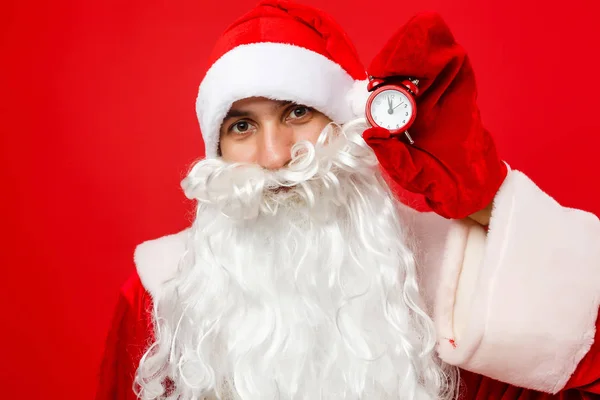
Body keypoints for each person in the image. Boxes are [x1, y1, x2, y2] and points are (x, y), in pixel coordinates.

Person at [95, 1, 600, 399]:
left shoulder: (450, 271)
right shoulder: (159, 291)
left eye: (297, 112)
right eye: (242, 125)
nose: (274, 157)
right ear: (217, 150)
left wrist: (483, 197)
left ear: (347, 127)